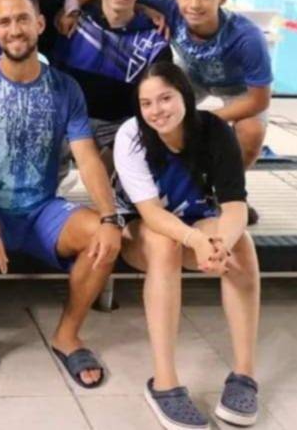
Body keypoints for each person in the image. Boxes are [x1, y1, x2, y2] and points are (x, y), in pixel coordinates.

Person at [0, 0, 123, 389]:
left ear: (40, 24)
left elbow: (87, 159)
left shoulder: (65, 88)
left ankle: (68, 335)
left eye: (23, 19)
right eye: (5, 22)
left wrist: (110, 216)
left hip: (43, 209)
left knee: (103, 237)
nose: (15, 29)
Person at [115, 61, 260, 430]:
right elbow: (150, 213)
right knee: (165, 244)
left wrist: (222, 244)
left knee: (242, 245)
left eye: (165, 98)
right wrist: (196, 240)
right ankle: (164, 384)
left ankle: (244, 374)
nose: (156, 111)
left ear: (185, 96)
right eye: (147, 103)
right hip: (143, 230)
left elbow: (235, 206)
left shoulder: (215, 131)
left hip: (196, 221)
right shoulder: (132, 135)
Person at [134, 0, 272, 171]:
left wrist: (203, 119)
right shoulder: (171, 9)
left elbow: (259, 101)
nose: (194, 4)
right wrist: (145, 8)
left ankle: (227, 185)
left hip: (239, 89)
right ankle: (164, 176)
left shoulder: (247, 38)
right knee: (155, 107)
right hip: (192, 77)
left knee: (251, 132)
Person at [49, 0, 171, 170]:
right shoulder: (71, 21)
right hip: (66, 121)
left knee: (130, 165)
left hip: (117, 129)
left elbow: (158, 105)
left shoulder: (154, 43)